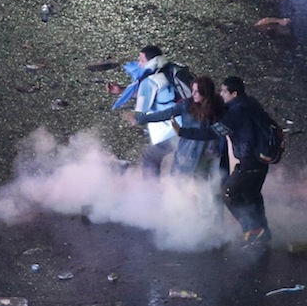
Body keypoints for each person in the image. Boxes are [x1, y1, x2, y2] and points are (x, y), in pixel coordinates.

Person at [173, 76, 272, 246]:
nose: (221, 94)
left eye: (224, 91)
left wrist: (182, 132)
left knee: (228, 193)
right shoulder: (251, 103)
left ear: (234, 93)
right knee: (252, 195)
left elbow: (211, 133)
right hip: (262, 159)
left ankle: (253, 229)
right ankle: (263, 232)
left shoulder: (236, 112)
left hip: (250, 161)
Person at [122, 76, 227, 178]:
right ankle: (152, 189)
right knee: (170, 170)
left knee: (200, 179)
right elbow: (165, 114)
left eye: (197, 91)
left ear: (206, 92)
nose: (193, 94)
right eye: (193, 90)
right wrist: (141, 119)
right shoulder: (187, 105)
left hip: (205, 150)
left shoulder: (218, 107)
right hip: (186, 146)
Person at [107, 45, 181, 177]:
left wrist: (134, 118)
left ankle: (151, 191)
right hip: (187, 123)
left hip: (171, 130)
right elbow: (152, 95)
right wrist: (122, 91)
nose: (139, 64)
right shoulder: (169, 71)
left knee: (150, 157)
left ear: (150, 61)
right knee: (170, 159)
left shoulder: (150, 81)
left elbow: (141, 111)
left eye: (141, 60)